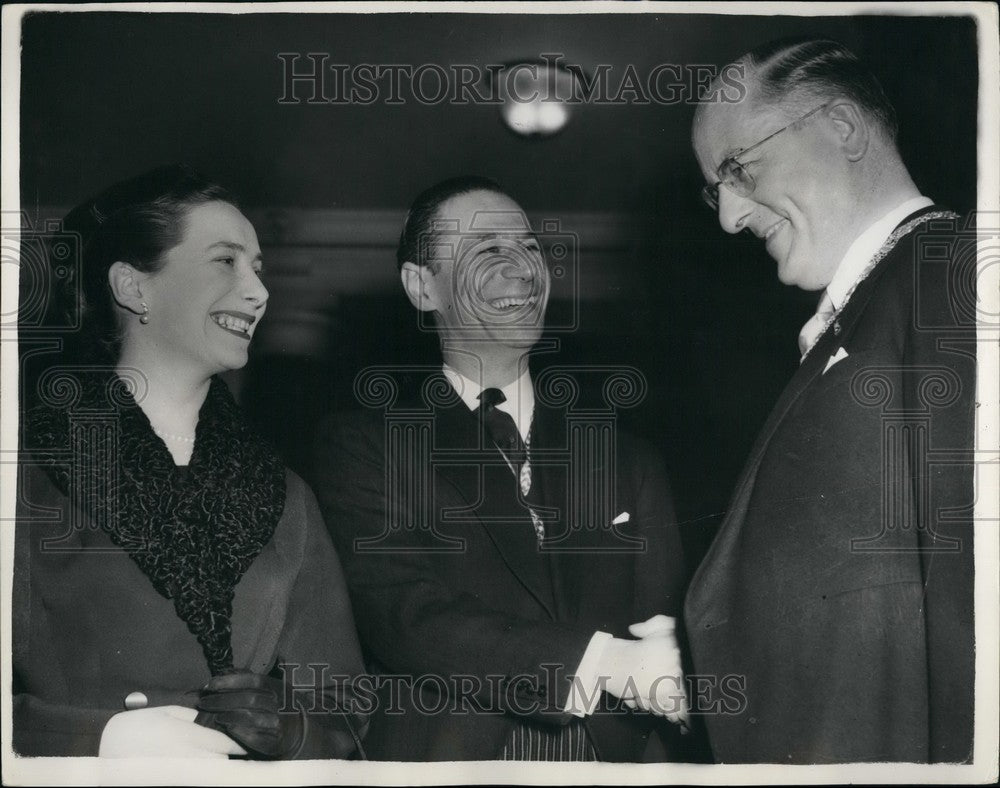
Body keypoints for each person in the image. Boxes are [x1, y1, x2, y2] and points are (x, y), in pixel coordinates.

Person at [313, 176, 695, 762]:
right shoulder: (368, 444)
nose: (521, 266)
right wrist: (602, 662)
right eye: (487, 248)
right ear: (421, 288)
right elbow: (402, 614)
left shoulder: (627, 459)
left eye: (531, 247)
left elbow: (666, 647)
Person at [685, 38, 976, 763]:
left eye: (737, 169)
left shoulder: (952, 274)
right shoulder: (880, 305)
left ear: (841, 128)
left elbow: (975, 596)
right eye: (713, 189)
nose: (727, 218)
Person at [13, 165, 368, 759]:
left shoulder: (285, 495)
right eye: (225, 261)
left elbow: (348, 708)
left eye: (258, 267)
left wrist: (293, 730)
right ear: (133, 287)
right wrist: (100, 738)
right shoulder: (25, 474)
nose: (259, 291)